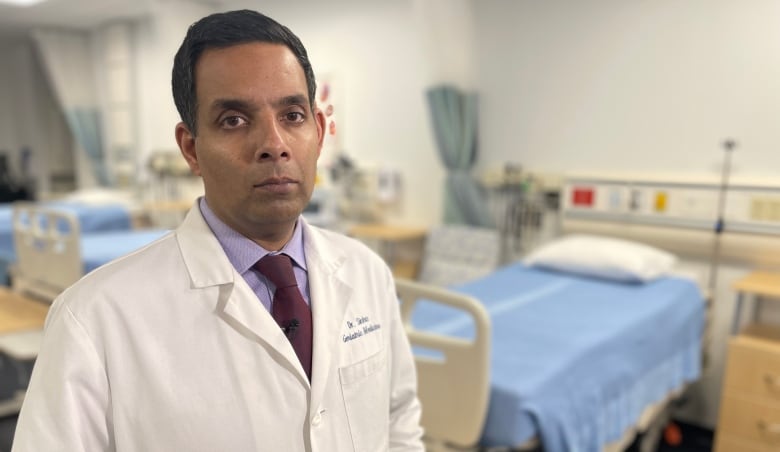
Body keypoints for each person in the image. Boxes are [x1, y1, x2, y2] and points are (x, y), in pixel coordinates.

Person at [12, 10, 424, 452]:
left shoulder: (367, 273)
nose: (274, 144)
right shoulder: (93, 320)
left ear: (319, 132)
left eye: (292, 114)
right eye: (234, 120)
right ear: (191, 148)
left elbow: (398, 418)